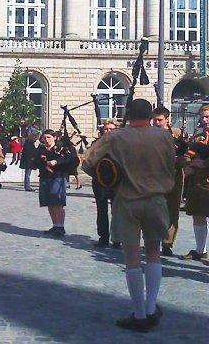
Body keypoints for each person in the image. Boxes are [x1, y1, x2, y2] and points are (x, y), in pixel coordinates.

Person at [83, 99, 175, 332]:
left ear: (128, 115)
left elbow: (87, 162)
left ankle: (139, 313)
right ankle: (151, 306)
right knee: (153, 252)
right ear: (150, 115)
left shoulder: (116, 137)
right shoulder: (164, 137)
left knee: (132, 256)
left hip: (127, 199)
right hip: (156, 199)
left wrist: (108, 174)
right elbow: (171, 164)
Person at [152, 107, 186, 257]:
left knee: (172, 211)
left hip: (174, 177)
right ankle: (152, 241)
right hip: (154, 178)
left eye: (159, 120)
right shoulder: (149, 136)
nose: (156, 122)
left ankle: (167, 243)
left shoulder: (177, 136)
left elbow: (186, 154)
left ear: (167, 120)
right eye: (154, 120)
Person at [180, 104, 209, 264]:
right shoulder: (198, 137)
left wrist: (203, 164)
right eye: (203, 117)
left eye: (208, 117)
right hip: (197, 182)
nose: (205, 120)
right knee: (198, 216)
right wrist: (188, 165)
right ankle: (200, 251)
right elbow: (187, 155)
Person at [36, 129, 78, 237]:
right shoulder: (41, 149)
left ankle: (61, 226)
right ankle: (55, 225)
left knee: (58, 202)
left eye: (49, 137)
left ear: (54, 137)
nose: (46, 140)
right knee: (49, 202)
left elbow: (69, 158)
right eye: (45, 138)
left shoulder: (60, 148)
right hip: (45, 177)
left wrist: (56, 161)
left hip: (58, 177)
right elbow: (36, 160)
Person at [91, 119, 121, 248]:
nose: (108, 131)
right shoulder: (96, 144)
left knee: (117, 211)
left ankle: (117, 238)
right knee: (101, 210)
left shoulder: (122, 145)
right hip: (100, 181)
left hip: (117, 182)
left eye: (111, 129)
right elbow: (89, 161)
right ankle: (103, 237)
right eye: (106, 129)